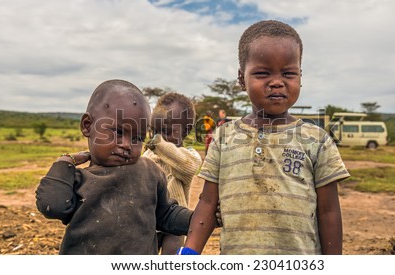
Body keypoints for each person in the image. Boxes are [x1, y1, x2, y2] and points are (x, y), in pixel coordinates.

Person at [178, 20, 350, 255]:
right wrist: (190, 252)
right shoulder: (225, 137)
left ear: (300, 77)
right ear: (241, 80)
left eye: (289, 73)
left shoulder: (317, 140)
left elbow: (328, 211)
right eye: (263, 73)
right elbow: (208, 203)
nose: (277, 82)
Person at [35, 79, 193, 255]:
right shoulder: (80, 178)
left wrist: (196, 219)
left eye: (137, 138)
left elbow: (166, 215)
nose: (127, 145)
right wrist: (64, 163)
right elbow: (52, 206)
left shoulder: (150, 172)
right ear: (87, 126)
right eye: (118, 132)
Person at [143, 92, 202, 255]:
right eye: (155, 131)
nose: (160, 137)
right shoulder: (148, 156)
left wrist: (157, 143)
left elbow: (186, 167)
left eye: (166, 131)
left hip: (175, 223)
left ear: (186, 130)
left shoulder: (189, 155)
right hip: (149, 222)